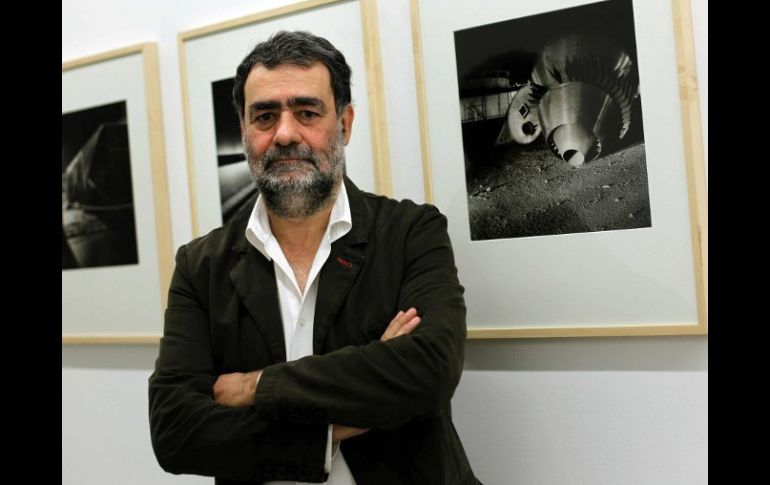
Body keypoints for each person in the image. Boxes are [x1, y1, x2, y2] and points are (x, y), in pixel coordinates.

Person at [149, 30, 479, 485]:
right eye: (265, 116)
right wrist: (332, 430)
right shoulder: (201, 266)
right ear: (244, 130)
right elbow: (175, 431)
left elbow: (430, 370)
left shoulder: (410, 233)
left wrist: (254, 386)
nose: (285, 134)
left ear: (344, 123)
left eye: (307, 112)